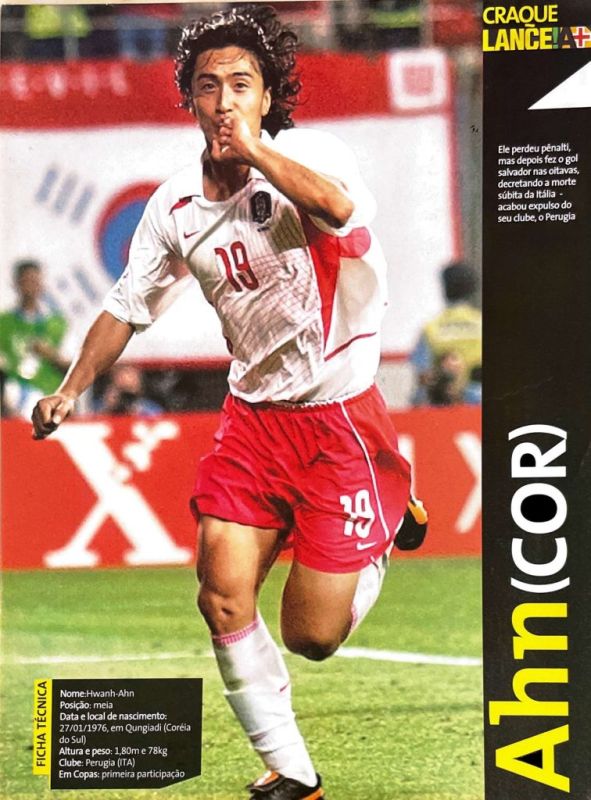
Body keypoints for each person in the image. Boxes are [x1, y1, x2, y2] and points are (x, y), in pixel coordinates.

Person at [32, 6, 422, 797]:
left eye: (241, 85)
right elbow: (127, 305)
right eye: (207, 86)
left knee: (312, 636)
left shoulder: (310, 155)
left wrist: (256, 150)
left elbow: (340, 211)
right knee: (220, 594)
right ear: (189, 99)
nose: (223, 101)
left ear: (267, 95)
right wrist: (71, 389)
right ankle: (291, 770)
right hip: (252, 425)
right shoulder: (175, 206)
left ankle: (387, 511)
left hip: (338, 421)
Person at [1, 259, 69, 418]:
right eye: (26, 281)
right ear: (17, 284)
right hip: (12, 399)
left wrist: (51, 354)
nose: (31, 286)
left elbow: (73, 366)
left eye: (35, 281)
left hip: (51, 397)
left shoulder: (57, 323)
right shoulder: (4, 323)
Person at [410, 260, 482, 405]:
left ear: (444, 288)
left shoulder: (431, 328)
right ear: (473, 288)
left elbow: (423, 375)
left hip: (442, 407)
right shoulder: (480, 324)